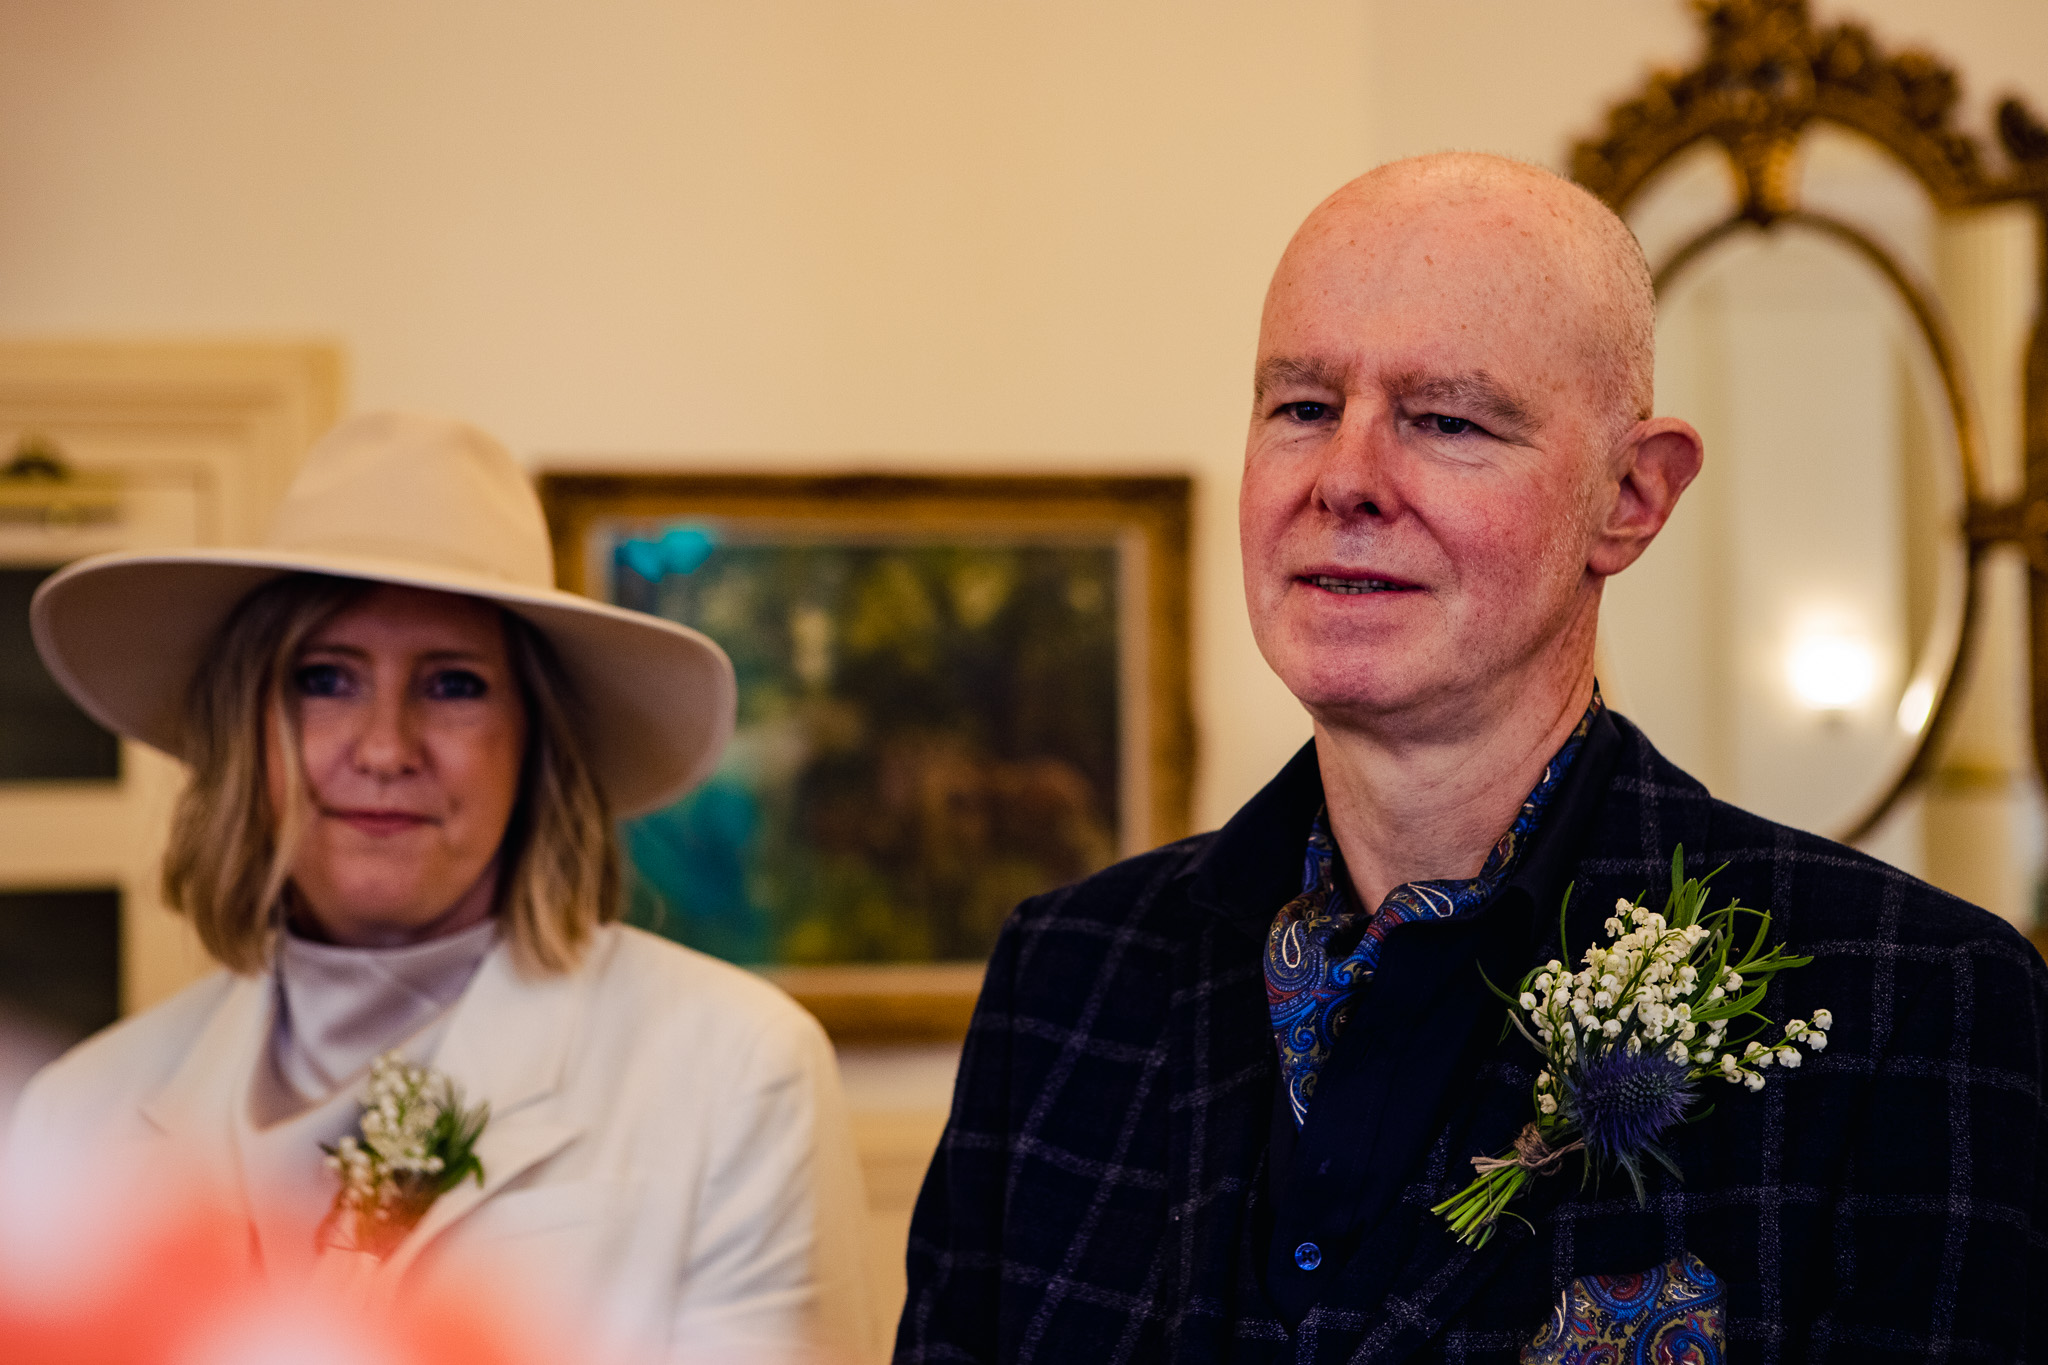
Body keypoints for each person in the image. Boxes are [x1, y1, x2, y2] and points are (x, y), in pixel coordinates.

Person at [895, 154, 2048, 1363]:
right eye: (1300, 407)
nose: (1342, 479)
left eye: (1444, 420)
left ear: (1631, 497)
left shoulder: (1912, 1004)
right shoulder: (1066, 977)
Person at [12, 412, 878, 1365]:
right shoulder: (75, 1114)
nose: (385, 749)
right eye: (325, 678)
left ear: (539, 740)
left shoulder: (736, 1068)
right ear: (243, 728)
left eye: (454, 685)